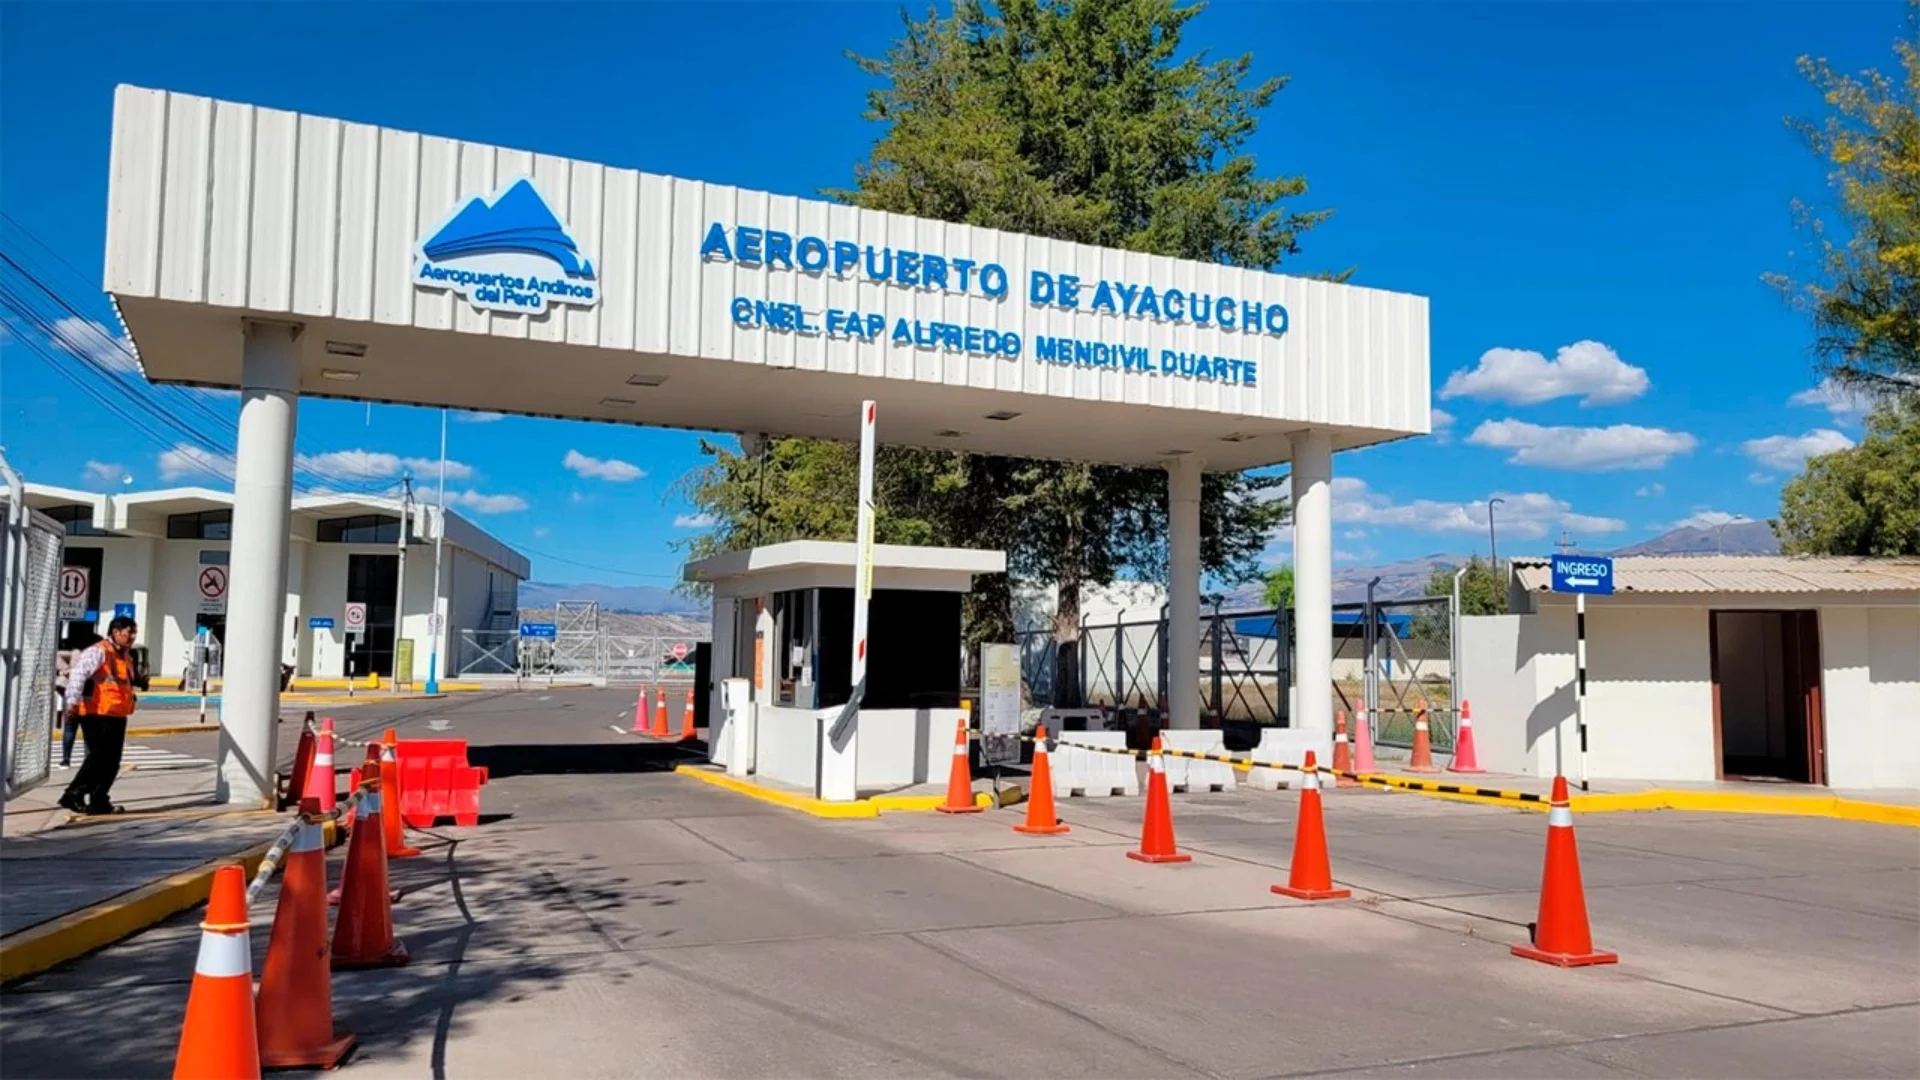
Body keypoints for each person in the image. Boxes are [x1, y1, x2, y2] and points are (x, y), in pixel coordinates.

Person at [58, 616, 140, 815]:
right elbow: (79, 674)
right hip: (96, 712)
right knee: (98, 757)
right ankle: (73, 794)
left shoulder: (126, 656)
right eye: (129, 632)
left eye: (133, 633)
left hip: (117, 714)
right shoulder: (98, 651)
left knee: (112, 761)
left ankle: (99, 799)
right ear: (116, 631)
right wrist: (72, 702)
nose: (132, 637)